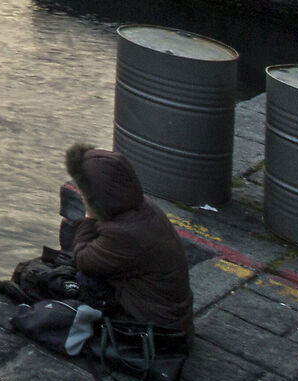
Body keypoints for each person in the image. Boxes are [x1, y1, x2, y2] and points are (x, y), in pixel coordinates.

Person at [58, 142, 195, 338]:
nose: (80, 194)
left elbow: (82, 259)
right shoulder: (142, 208)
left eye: (84, 190)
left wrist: (89, 217)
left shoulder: (123, 234)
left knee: (83, 280)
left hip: (156, 328)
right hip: (174, 318)